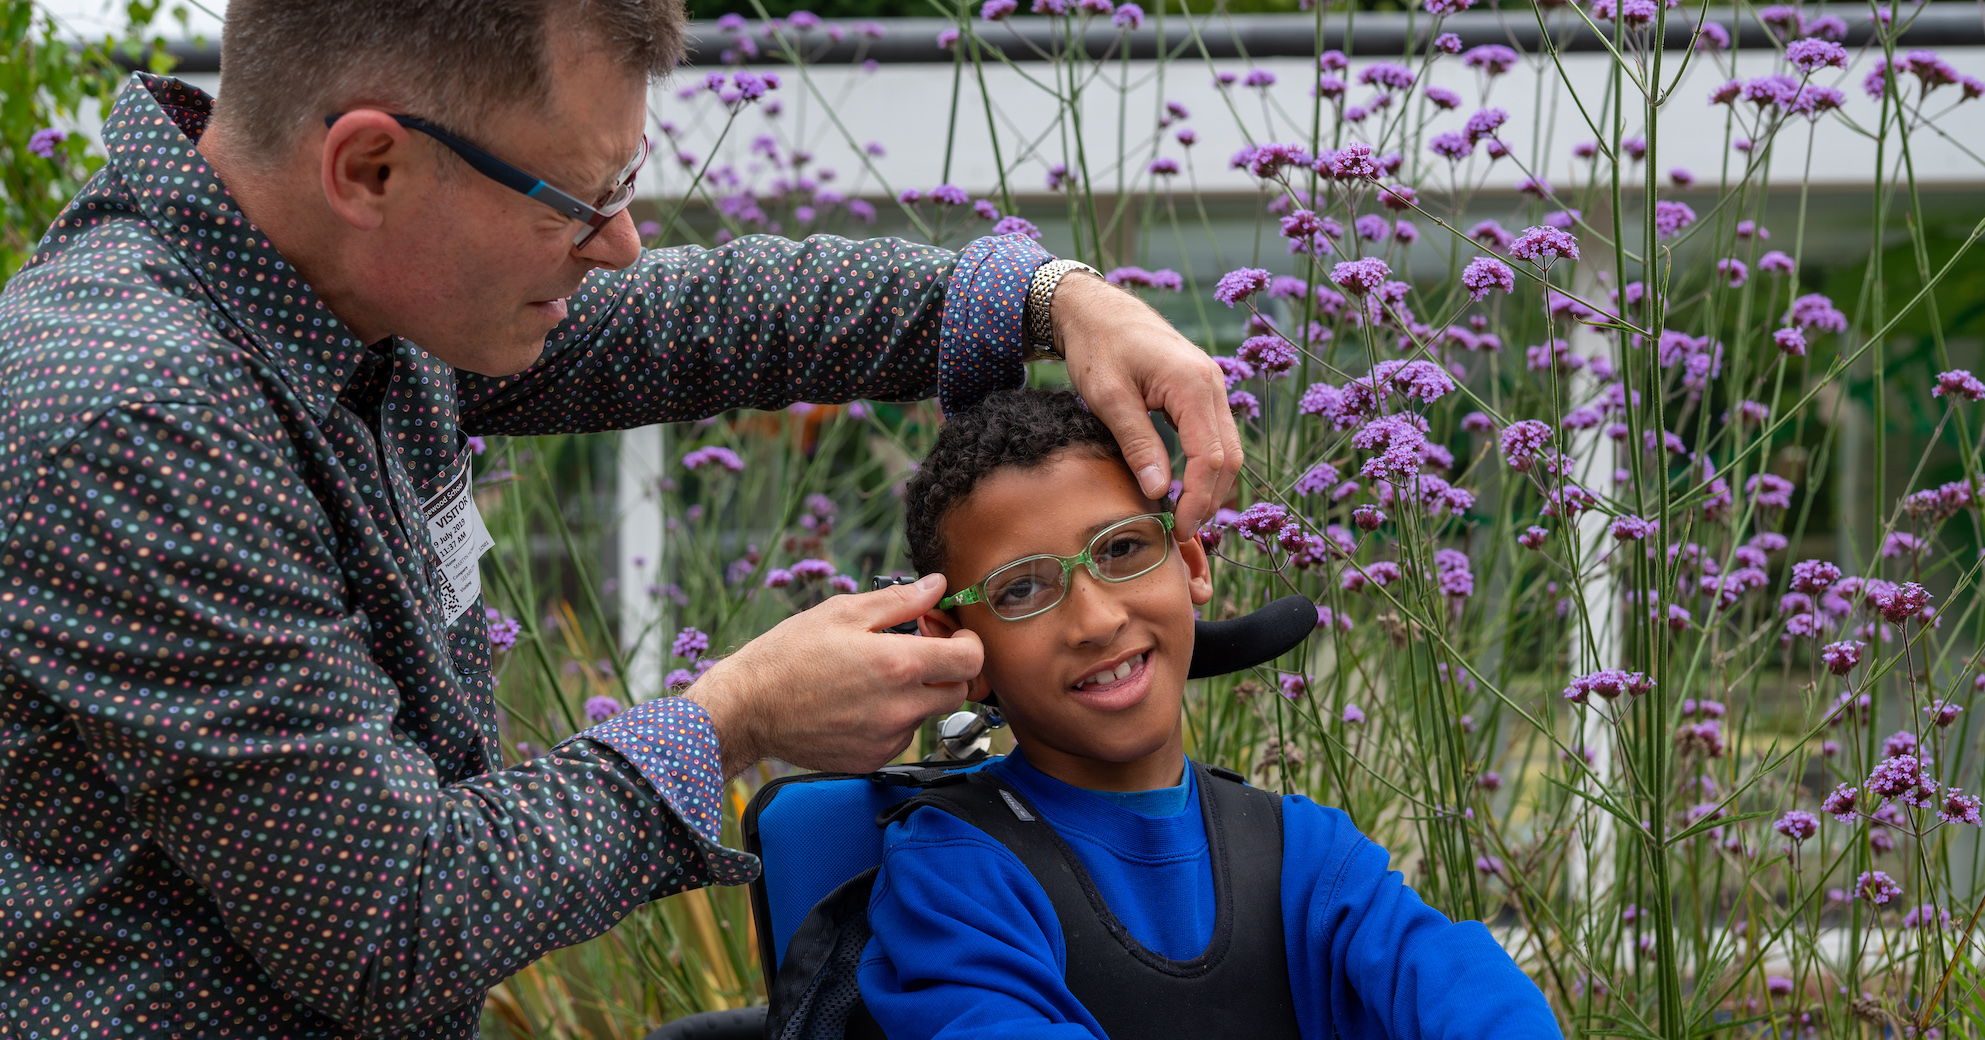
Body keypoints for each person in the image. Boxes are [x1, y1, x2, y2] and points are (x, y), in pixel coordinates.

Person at [0, 2, 1242, 1037]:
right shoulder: (134, 413)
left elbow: (696, 320)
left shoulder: (346, 292)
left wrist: (1050, 298)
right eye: (575, 201)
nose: (621, 242)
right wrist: (736, 717)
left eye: (626, 184)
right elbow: (393, 919)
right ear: (369, 167)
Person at [856, 388, 1560, 1040]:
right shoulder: (953, 877)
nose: (1097, 621)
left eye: (1123, 549)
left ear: (1190, 559)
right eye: (1021, 590)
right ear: (957, 648)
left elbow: (1471, 994)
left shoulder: (1307, 855)